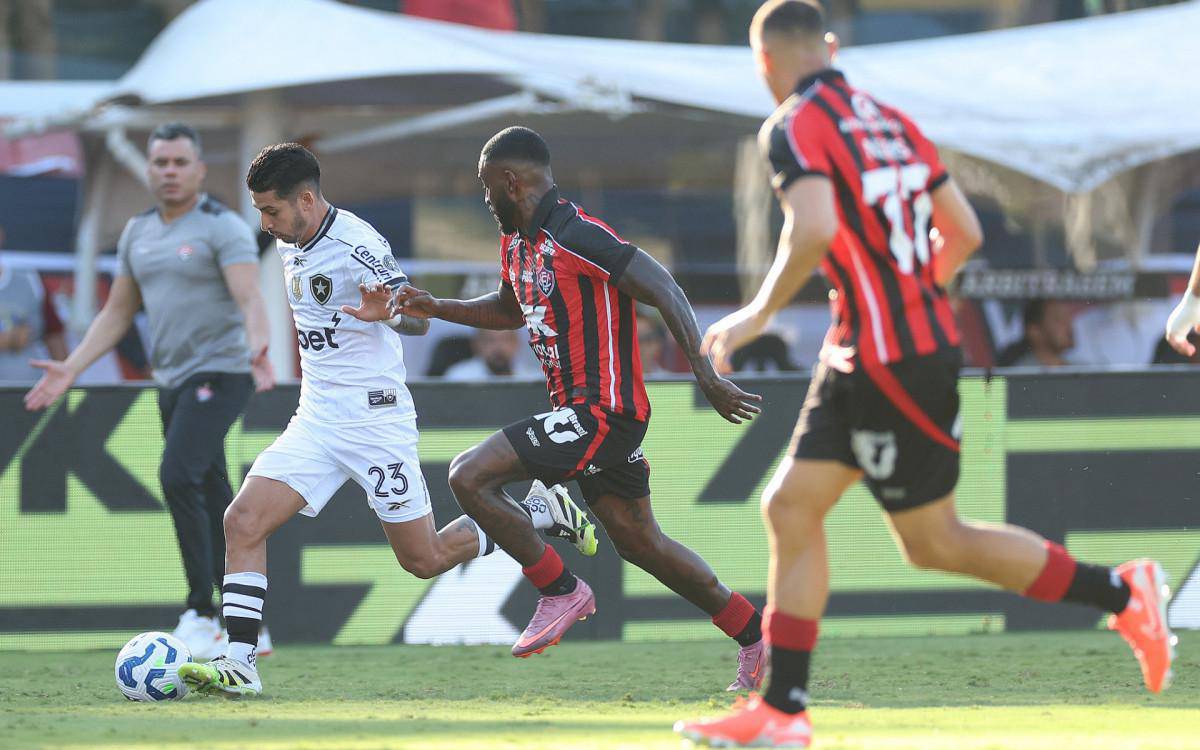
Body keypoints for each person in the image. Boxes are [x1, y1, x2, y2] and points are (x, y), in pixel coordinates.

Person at [676, 3, 1175, 746]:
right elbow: (965, 233)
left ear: (765, 63)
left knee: (935, 541)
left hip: (888, 359)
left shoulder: (792, 125)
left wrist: (753, 317)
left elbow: (812, 227)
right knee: (789, 507)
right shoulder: (892, 119)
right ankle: (783, 711)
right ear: (831, 47)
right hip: (874, 350)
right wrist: (909, 296)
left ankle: (1122, 590)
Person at [177, 143, 596, 698]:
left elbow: (418, 320)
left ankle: (535, 513)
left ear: (306, 199)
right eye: (259, 211)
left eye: (271, 211)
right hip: (317, 417)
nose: (265, 222)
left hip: (375, 422)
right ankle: (240, 661)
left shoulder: (359, 245)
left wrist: (392, 312)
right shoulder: (290, 236)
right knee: (242, 522)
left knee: (423, 560)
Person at [367, 126, 769, 691]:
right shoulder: (518, 244)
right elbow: (508, 309)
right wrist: (439, 307)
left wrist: (705, 374)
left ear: (511, 182)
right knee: (641, 543)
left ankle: (560, 588)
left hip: (605, 412)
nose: (485, 203)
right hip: (581, 415)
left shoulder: (579, 234)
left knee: (469, 475)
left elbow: (665, 288)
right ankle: (755, 636)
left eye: (487, 190)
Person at [24, 123, 277, 661]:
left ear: (199, 170)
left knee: (177, 473)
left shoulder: (222, 227)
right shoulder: (139, 232)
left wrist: (260, 346)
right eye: (160, 162)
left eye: (179, 162)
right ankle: (244, 621)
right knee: (209, 489)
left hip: (222, 373)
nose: (169, 171)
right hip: (173, 381)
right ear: (148, 170)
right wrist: (71, 366)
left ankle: (201, 612)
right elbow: (117, 313)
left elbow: (249, 296)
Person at [0, 231, 68, 382]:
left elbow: (54, 335)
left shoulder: (30, 282)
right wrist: (10, 339)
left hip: (28, 392)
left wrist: (64, 383)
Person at [994, 299, 1075, 367]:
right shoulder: (1020, 374)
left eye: (1067, 318)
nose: (1068, 325)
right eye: (1058, 319)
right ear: (1034, 331)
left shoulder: (1079, 369)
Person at [443, 328, 521, 380]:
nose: (498, 347)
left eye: (506, 340)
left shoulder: (530, 378)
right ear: (477, 345)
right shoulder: (457, 377)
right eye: (490, 340)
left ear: (517, 343)